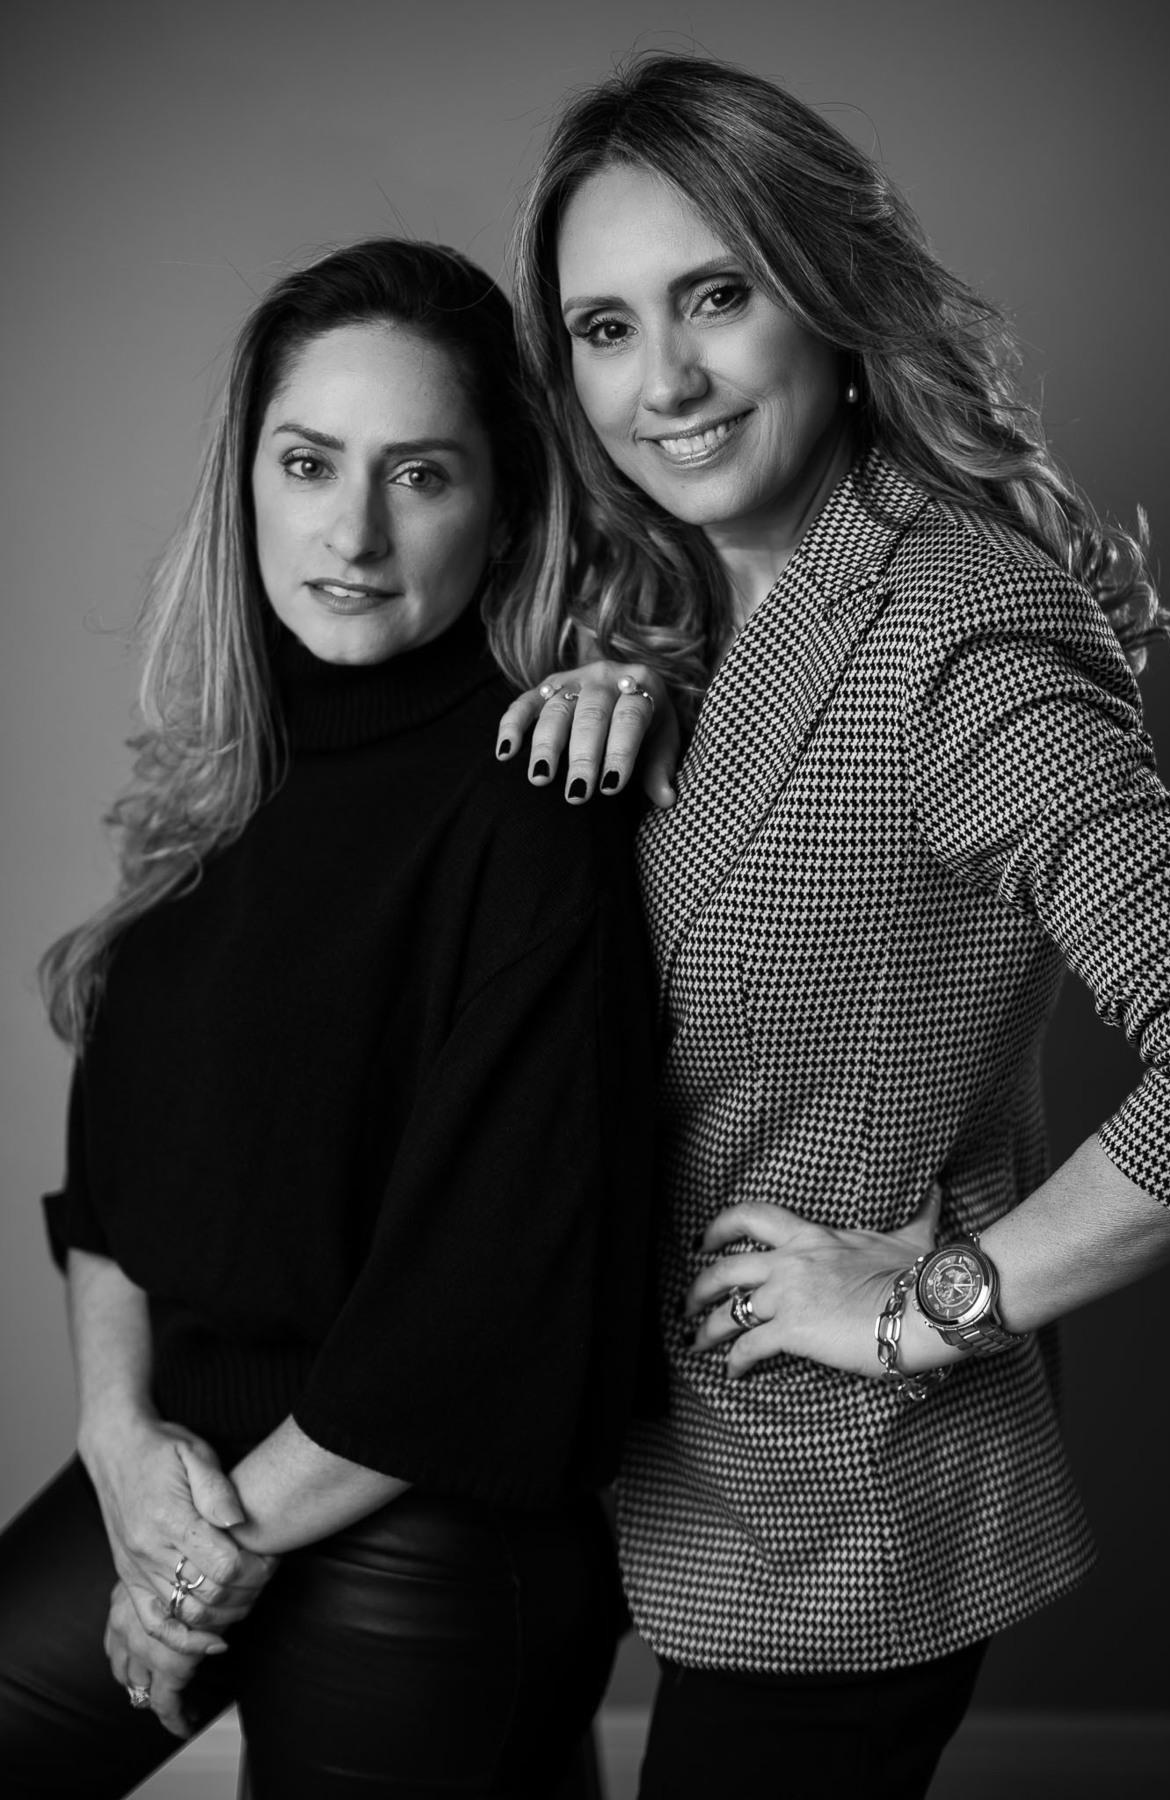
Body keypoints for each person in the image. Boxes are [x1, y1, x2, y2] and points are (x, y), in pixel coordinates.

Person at [492, 51, 1170, 1799]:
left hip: (850, 1505)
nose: (663, 382)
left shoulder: (954, 631)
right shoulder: (678, 606)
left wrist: (935, 1305)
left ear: (827, 293)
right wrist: (614, 705)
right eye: (603, 328)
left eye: (715, 296)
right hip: (644, 1471)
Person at [0, 238, 657, 1799]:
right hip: (184, 1463)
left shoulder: (538, 800)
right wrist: (119, 1443)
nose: (352, 533)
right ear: (250, 480)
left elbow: (484, 1307)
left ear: (506, 507)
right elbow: (117, 1187)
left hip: (421, 1516)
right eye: (309, 464)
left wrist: (196, 1558)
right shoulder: (224, 777)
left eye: (419, 475)